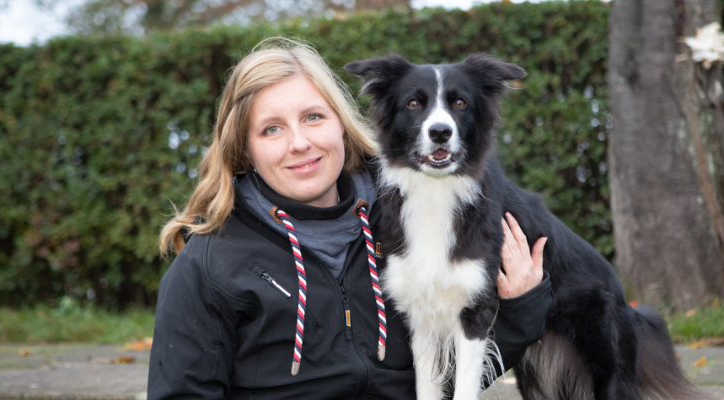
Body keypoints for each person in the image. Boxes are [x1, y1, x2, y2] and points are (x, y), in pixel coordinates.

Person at [148, 38, 552, 399]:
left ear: (341, 122)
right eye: (272, 129)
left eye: (313, 117)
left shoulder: (406, 220)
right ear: (245, 148)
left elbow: (445, 378)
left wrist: (520, 312)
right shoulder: (209, 264)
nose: (300, 143)